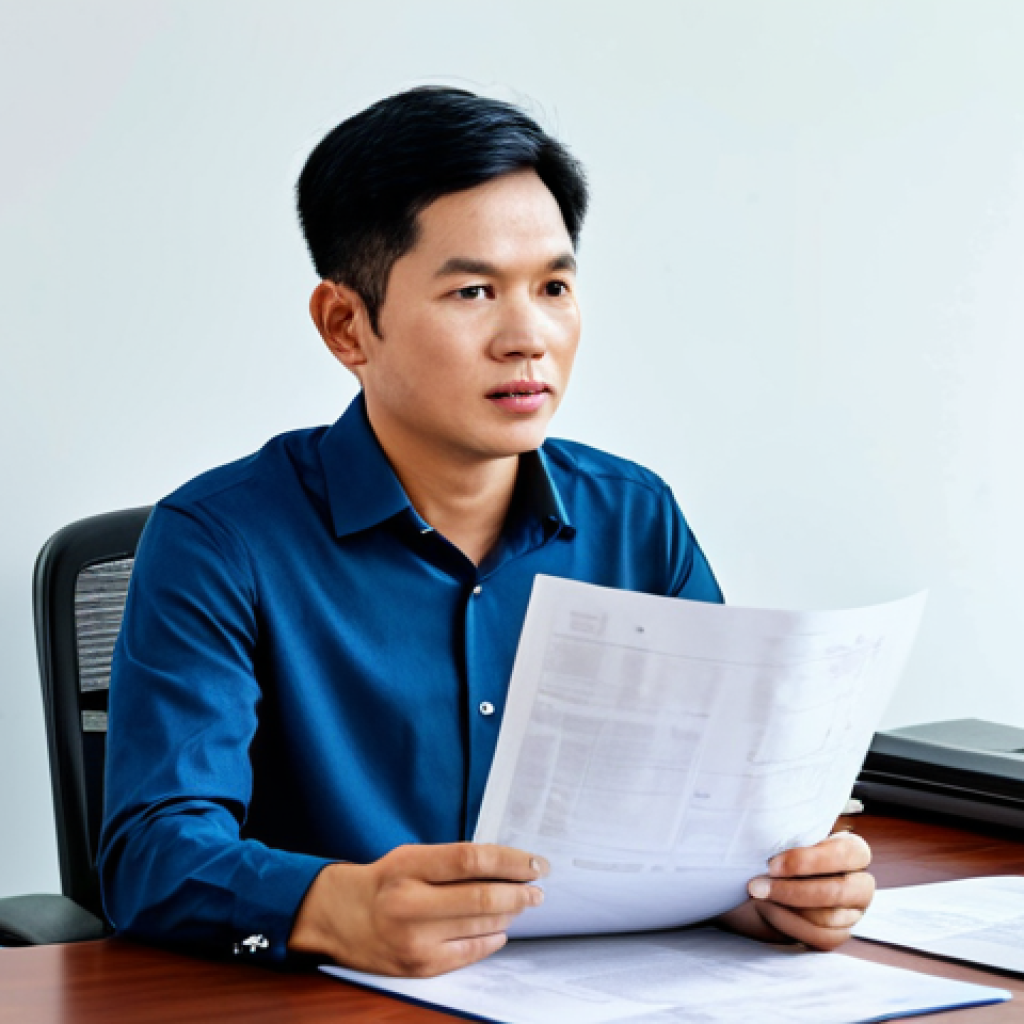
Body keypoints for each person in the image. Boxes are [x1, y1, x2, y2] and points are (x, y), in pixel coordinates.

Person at [98, 86, 874, 977]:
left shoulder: (635, 517)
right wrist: (330, 905)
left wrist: (768, 890)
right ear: (347, 325)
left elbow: (707, 813)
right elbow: (149, 860)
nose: (528, 337)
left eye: (553, 286)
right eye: (474, 290)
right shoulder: (220, 540)